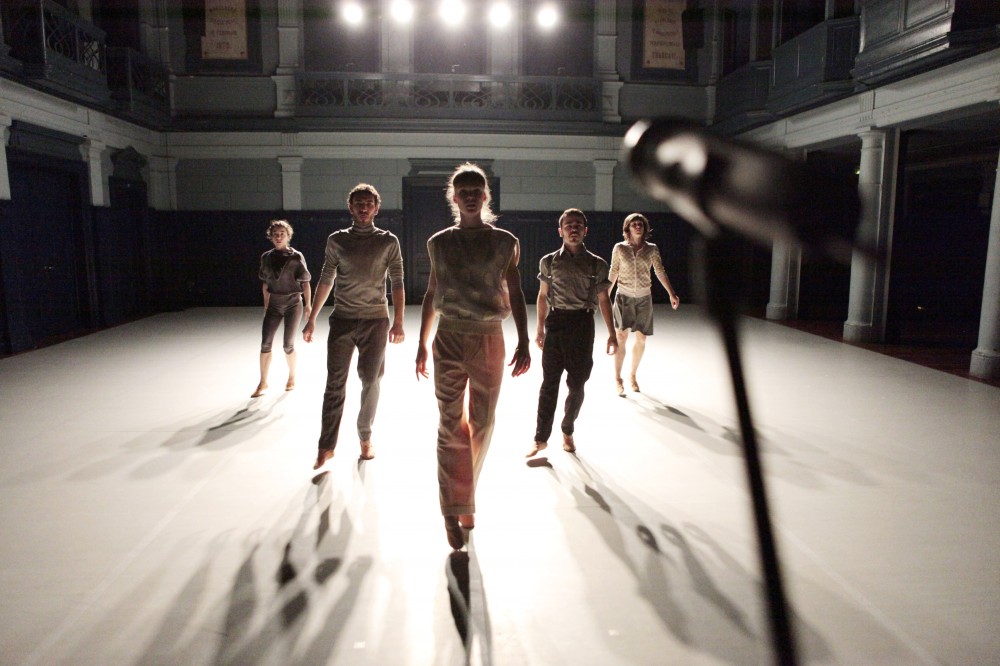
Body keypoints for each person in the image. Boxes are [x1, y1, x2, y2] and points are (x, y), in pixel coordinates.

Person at [415, 163, 531, 550]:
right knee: (450, 423)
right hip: (448, 336)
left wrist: (524, 339)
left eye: (475, 190)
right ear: (453, 197)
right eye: (462, 190)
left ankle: (464, 495)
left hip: (489, 337)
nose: (468, 196)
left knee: (482, 423)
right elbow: (432, 292)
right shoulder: (438, 242)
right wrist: (421, 342)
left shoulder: (505, 242)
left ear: (485, 196)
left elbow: (516, 291)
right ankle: (453, 508)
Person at [304, 183, 405, 468]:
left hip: (376, 321)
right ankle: (326, 446)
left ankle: (365, 437)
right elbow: (326, 278)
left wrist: (398, 321)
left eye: (368, 203)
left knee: (371, 381)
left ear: (376, 208)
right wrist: (311, 318)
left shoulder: (388, 241)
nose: (363, 208)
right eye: (358, 203)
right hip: (343, 320)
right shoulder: (337, 240)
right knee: (334, 383)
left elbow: (397, 281)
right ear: (350, 207)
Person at [525, 209, 617, 458]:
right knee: (549, 384)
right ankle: (540, 438)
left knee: (577, 385)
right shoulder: (549, 261)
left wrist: (612, 333)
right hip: (556, 323)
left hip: (582, 325)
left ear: (585, 230)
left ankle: (567, 427)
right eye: (568, 225)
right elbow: (542, 296)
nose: (573, 228)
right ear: (560, 231)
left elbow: (604, 299)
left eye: (578, 225)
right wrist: (539, 328)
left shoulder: (597, 264)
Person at [608, 213, 680, 396]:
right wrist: (605, 295)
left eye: (640, 224)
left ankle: (632, 375)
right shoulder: (619, 248)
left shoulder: (652, 249)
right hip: (623, 296)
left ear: (645, 228)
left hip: (643, 298)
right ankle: (618, 378)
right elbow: (613, 271)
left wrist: (671, 293)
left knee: (641, 339)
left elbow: (659, 271)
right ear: (628, 228)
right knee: (621, 337)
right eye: (634, 224)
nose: (637, 226)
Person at [253, 219, 312, 398]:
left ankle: (292, 376)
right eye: (275, 234)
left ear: (288, 236)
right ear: (271, 237)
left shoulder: (296, 257)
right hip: (274, 304)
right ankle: (263, 381)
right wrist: (266, 304)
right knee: (265, 343)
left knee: (288, 345)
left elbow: (305, 283)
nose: (278, 237)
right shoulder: (266, 257)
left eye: (282, 234)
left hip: (293, 304)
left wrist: (308, 305)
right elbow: (265, 284)